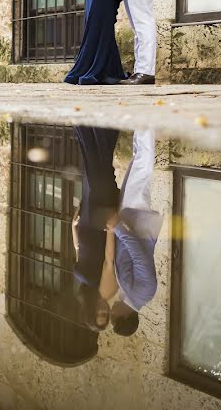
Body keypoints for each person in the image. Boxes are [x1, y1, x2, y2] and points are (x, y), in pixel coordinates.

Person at [111, 130, 162, 336]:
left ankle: (141, 126)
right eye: (113, 317)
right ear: (124, 317)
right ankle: (147, 122)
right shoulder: (144, 292)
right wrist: (117, 228)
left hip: (130, 219)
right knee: (142, 168)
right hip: (135, 220)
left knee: (137, 166)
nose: (111, 312)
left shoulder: (129, 294)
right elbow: (139, 255)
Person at [71, 126, 121, 331]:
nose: (103, 311)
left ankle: (92, 126)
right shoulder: (105, 291)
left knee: (95, 173)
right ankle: (91, 127)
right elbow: (108, 259)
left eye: (99, 314)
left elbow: (78, 252)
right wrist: (111, 230)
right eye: (105, 315)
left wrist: (73, 226)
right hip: (98, 223)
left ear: (90, 311)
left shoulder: (92, 289)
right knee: (100, 174)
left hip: (92, 222)